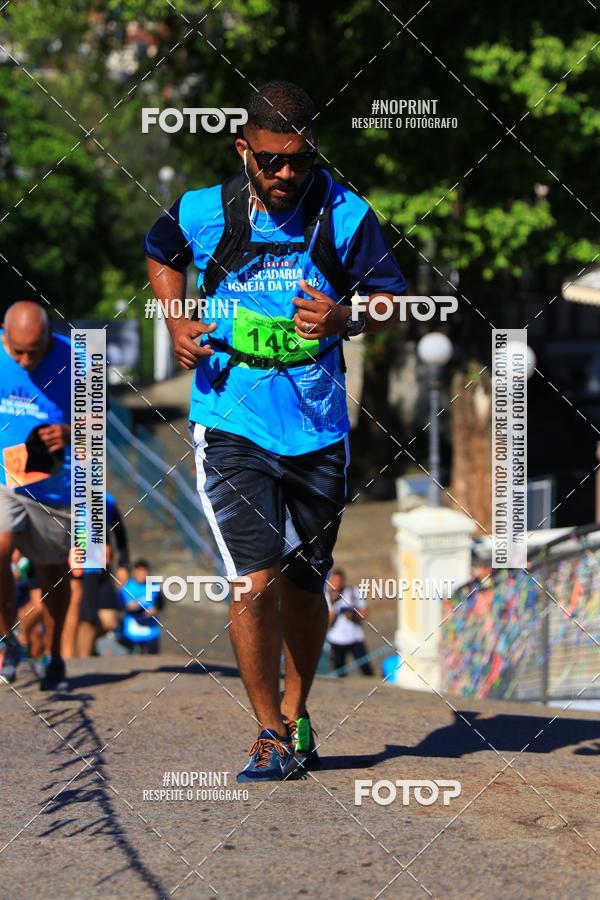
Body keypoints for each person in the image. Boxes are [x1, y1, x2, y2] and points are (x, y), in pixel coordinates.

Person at [145, 81, 406, 781]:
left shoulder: (345, 216)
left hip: (319, 424)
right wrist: (175, 320)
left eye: (296, 160)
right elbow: (161, 250)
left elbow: (393, 299)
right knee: (254, 582)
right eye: (269, 161)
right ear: (244, 149)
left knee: (305, 583)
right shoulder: (207, 209)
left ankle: (296, 712)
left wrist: (348, 318)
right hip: (230, 415)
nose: (285, 174)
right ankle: (266, 731)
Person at [0, 302, 71, 690]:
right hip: (5, 480)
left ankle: (53, 653)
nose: (26, 360)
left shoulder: (79, 361)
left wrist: (70, 434)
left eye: (35, 350)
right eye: (17, 351)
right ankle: (7, 642)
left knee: (53, 575)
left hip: (54, 488)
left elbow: (99, 427)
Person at [64, 491, 130, 658]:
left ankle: (82, 652)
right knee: (87, 618)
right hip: (81, 566)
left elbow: (118, 531)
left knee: (109, 620)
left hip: (101, 567)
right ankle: (80, 659)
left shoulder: (107, 500)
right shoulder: (67, 498)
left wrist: (123, 564)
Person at [325, 567, 373, 676]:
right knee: (340, 673)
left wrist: (353, 614)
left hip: (355, 638)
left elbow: (365, 612)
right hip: (336, 640)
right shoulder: (325, 597)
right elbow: (325, 623)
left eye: (339, 581)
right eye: (334, 581)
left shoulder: (352, 592)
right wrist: (334, 611)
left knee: (366, 669)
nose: (336, 584)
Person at [119, 559, 163, 654]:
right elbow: (121, 605)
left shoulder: (154, 586)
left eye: (144, 572)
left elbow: (160, 603)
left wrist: (154, 610)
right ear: (134, 572)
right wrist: (129, 607)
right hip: (132, 631)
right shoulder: (126, 587)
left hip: (151, 631)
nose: (142, 575)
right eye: (139, 572)